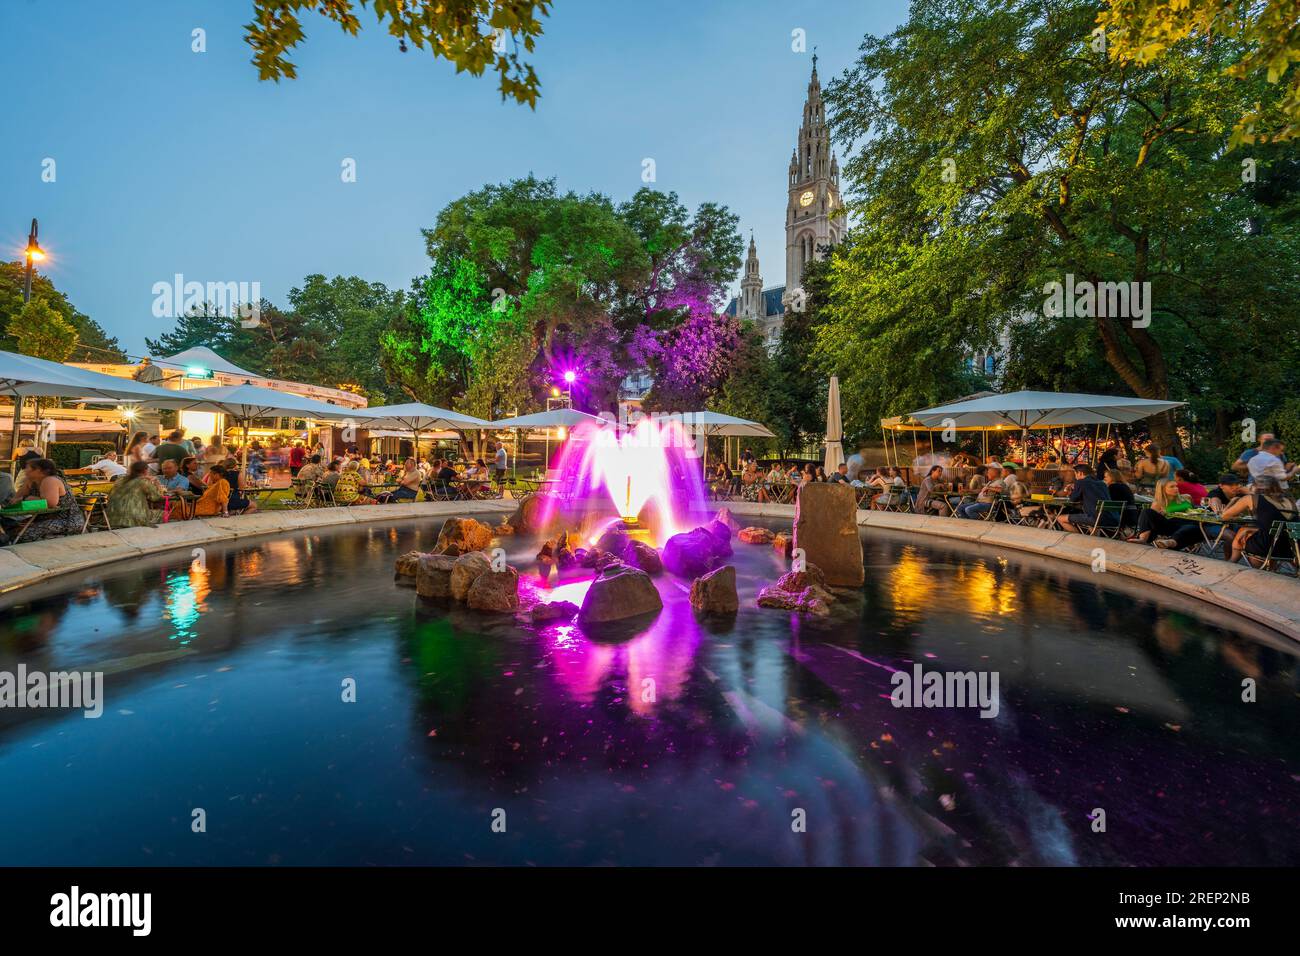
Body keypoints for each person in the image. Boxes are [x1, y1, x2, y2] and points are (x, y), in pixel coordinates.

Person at [3, 458, 83, 543]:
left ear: (39, 470)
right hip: (41, 518)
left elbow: (50, 503)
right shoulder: (31, 481)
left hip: (65, 520)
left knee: (23, 535)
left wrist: (26, 498)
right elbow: (15, 499)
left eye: (27, 467)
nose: (24, 470)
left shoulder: (50, 480)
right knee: (10, 530)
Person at [1231, 477, 1297, 567]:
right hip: (1288, 549)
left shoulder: (1251, 498)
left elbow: (1225, 516)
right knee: (1246, 531)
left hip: (1264, 548)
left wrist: (1233, 501)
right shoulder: (1290, 500)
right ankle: (1268, 568)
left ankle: (1232, 563)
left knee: (1243, 532)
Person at [1128, 478, 1194, 547]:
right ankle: (1143, 539)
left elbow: (1192, 508)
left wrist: (1168, 510)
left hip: (1185, 526)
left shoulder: (1185, 498)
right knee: (1146, 512)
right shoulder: (1158, 503)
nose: (1176, 488)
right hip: (1169, 527)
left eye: (1176, 486)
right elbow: (1151, 521)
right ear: (1162, 489)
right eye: (1172, 487)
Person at [106, 461, 163, 528]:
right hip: (134, 518)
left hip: (111, 518)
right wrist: (157, 483)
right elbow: (157, 497)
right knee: (165, 514)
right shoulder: (143, 482)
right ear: (145, 470)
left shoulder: (120, 480)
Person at [1057, 464, 1111, 533]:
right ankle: (1093, 538)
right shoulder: (1102, 483)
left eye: (1075, 474)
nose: (1075, 477)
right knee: (1089, 517)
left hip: (1095, 518)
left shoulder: (1081, 482)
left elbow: (1072, 499)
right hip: (1112, 518)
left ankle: (1081, 538)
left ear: (1080, 473)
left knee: (1060, 518)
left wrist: (1069, 491)